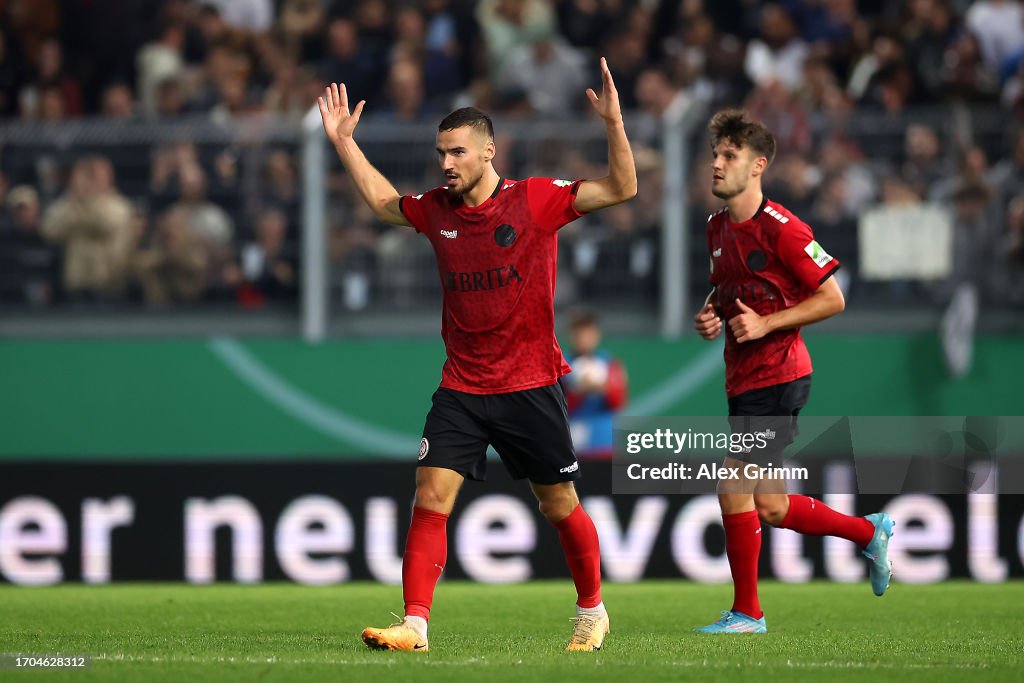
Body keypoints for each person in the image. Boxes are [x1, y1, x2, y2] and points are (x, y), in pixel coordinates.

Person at [317, 57, 636, 652]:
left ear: (490, 152)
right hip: (463, 387)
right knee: (430, 493)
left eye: (458, 152)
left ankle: (592, 610)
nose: (446, 164)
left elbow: (623, 188)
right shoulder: (437, 209)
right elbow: (385, 204)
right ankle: (415, 625)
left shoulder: (536, 201)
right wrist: (344, 144)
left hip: (529, 383)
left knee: (557, 501)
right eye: (442, 152)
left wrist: (614, 124)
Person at [691, 110, 894, 634]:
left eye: (729, 156)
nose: (716, 164)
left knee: (731, 483)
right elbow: (728, 286)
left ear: (758, 166)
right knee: (773, 507)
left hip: (779, 374)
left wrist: (768, 324)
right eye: (715, 154)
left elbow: (833, 298)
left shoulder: (784, 229)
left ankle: (748, 614)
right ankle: (868, 533)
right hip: (744, 376)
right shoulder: (715, 227)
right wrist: (713, 311)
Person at [561, 309, 628, 459]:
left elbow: (618, 402)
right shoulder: (560, 366)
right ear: (571, 335)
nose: (584, 339)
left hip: (603, 443)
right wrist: (577, 391)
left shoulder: (610, 363)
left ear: (596, 335)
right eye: (579, 334)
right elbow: (556, 407)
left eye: (589, 334)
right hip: (572, 444)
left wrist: (605, 389)